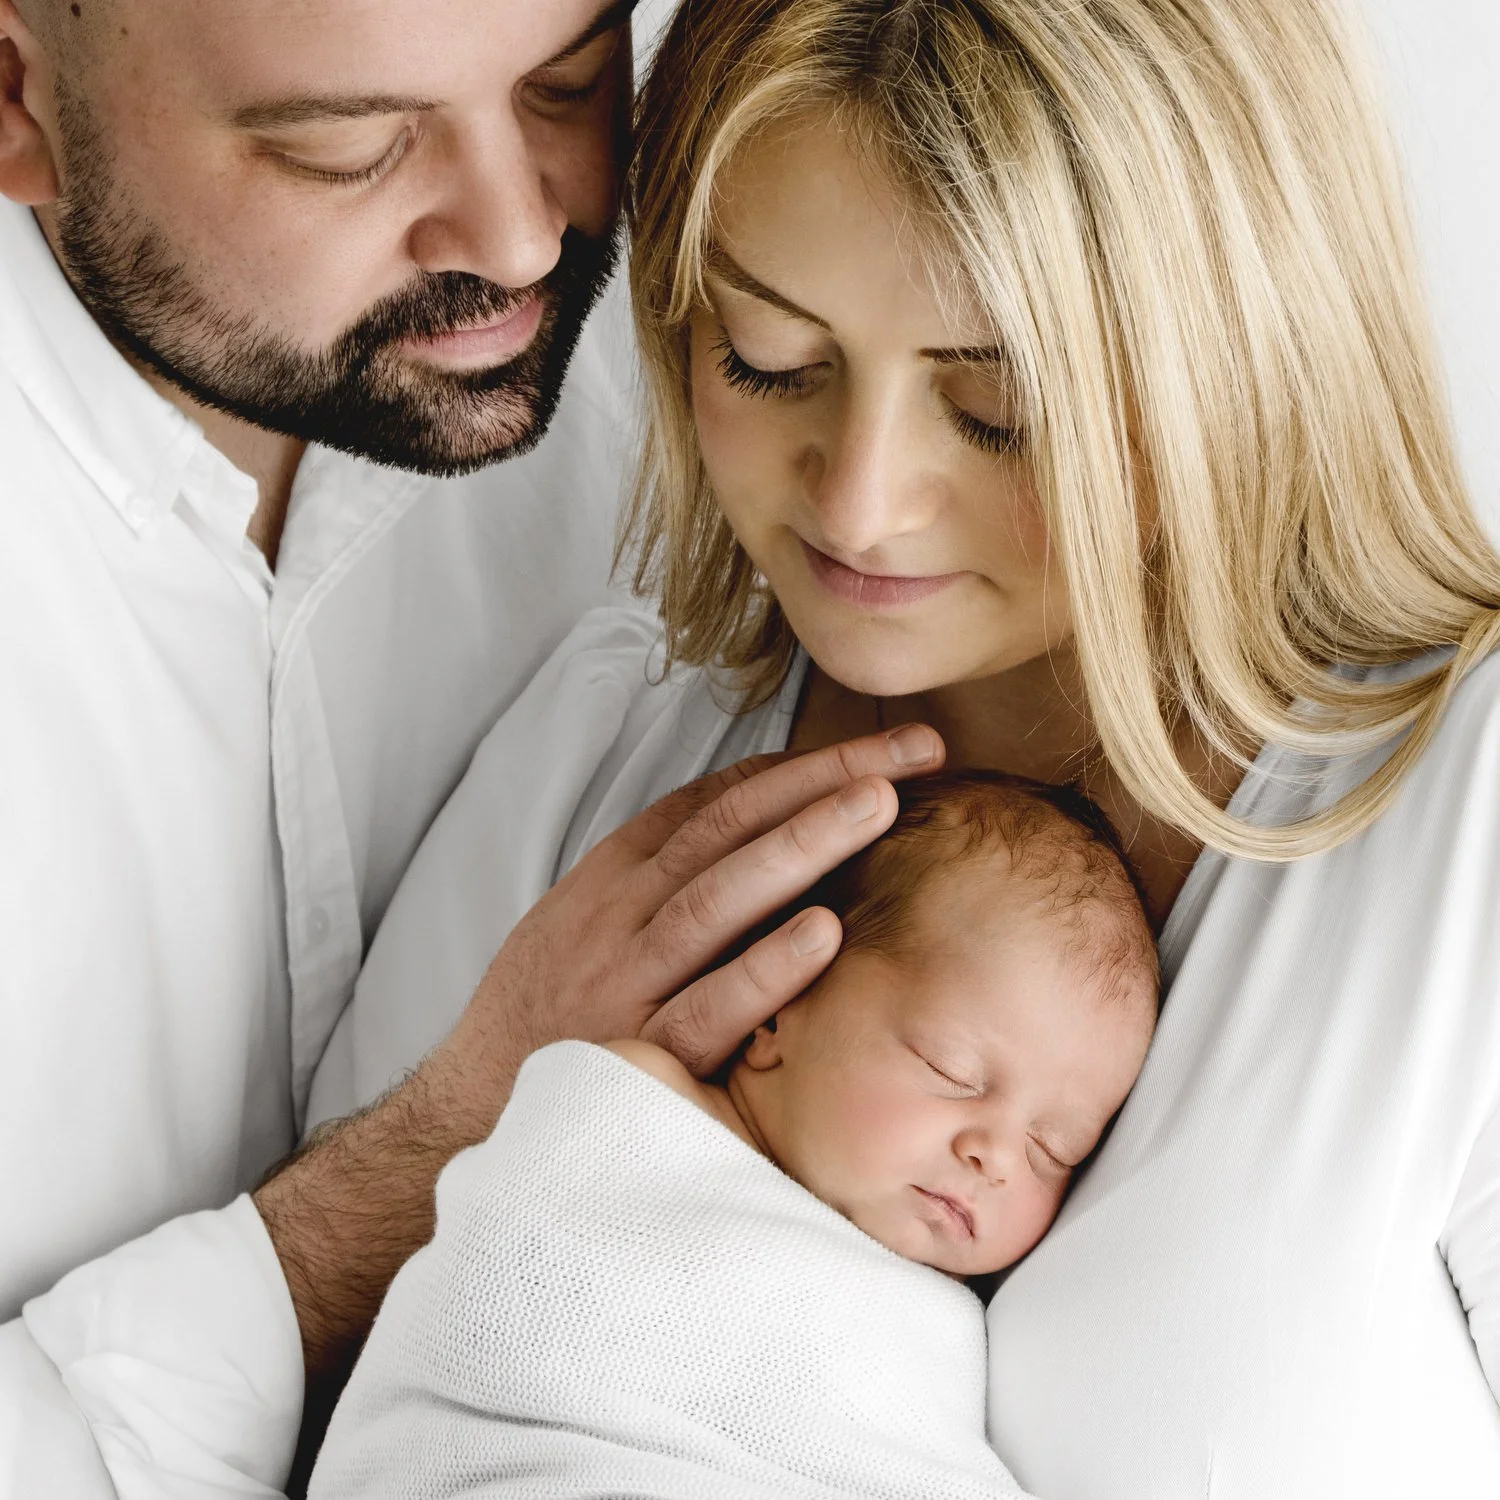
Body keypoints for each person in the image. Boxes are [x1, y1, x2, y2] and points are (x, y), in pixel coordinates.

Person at [311, 0, 1500, 1493]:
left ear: (1246, 365)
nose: (860, 507)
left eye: (1001, 412)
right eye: (767, 359)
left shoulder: (1465, 824)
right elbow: (327, 1388)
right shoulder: (607, 760)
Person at [0, 0, 939, 1493]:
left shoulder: (721, 347)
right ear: (16, 94)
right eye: (347, 148)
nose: (520, 237)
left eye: (569, 82)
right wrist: (420, 1168)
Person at [308, 773, 1159, 1499]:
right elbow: (502, 1315)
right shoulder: (622, 1119)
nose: (997, 1156)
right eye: (953, 1071)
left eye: (1057, 1149)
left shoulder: (935, 1332)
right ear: (779, 1007)